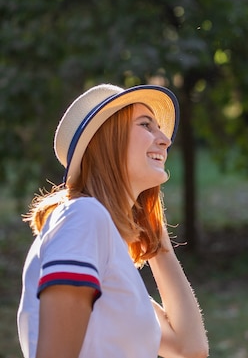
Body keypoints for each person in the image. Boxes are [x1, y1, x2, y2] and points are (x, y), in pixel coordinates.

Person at [17, 84, 209, 358]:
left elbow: (190, 348)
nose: (165, 139)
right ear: (109, 139)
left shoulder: (107, 245)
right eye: (146, 125)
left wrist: (153, 231)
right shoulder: (84, 217)